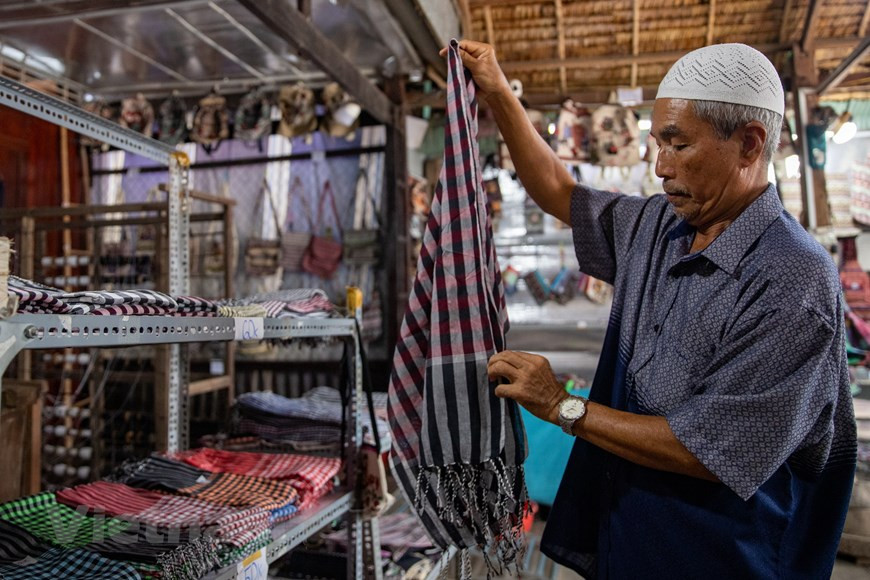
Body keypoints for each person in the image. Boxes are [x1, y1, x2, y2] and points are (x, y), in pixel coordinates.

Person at [449, 40, 858, 577]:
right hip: (633, 534)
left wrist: (563, 406)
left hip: (725, 555)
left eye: (678, 144)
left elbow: (713, 450)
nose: (660, 167)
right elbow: (558, 189)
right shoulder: (660, 226)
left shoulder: (791, 277)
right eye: (656, 144)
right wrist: (499, 92)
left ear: (750, 144)